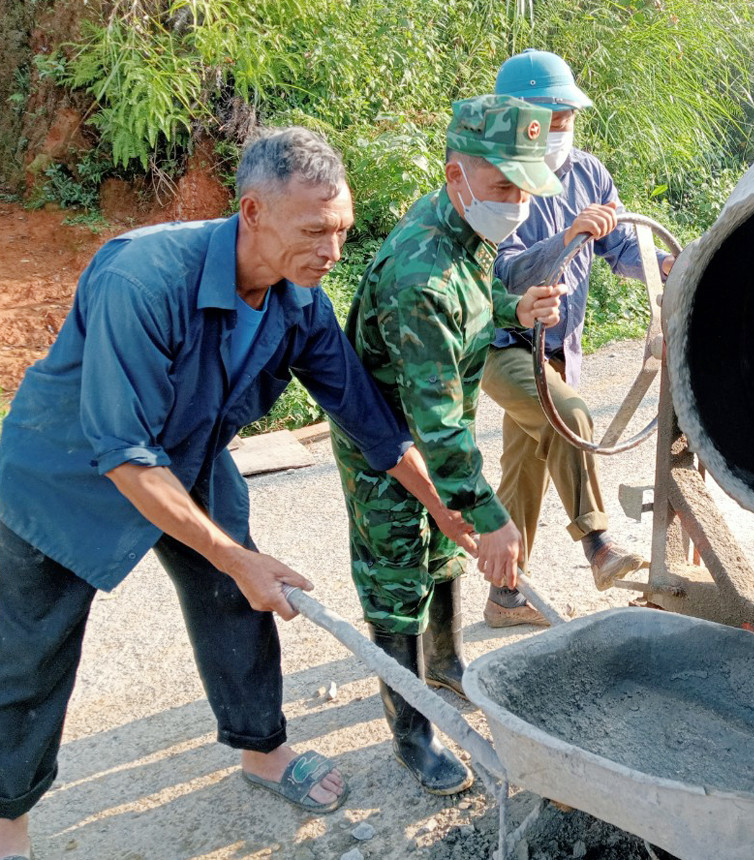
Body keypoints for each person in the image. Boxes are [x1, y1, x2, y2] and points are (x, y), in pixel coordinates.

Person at [0, 126, 475, 860]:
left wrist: (443, 505)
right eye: (314, 230)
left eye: (342, 230)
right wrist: (235, 556)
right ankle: (9, 829)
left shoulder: (301, 301)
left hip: (188, 458)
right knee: (30, 656)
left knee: (236, 597)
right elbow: (123, 456)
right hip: (62, 478)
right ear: (252, 212)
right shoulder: (143, 277)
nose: (332, 251)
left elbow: (369, 421)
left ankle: (264, 751)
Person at [330, 94, 566, 795]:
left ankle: (447, 665)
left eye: (524, 187)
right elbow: (433, 423)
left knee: (444, 551)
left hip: (439, 434)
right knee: (398, 578)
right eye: (503, 188)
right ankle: (411, 731)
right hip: (390, 452)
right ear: (456, 175)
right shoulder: (419, 272)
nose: (516, 202)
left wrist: (511, 308)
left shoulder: (461, 228)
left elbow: (469, 298)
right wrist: (491, 516)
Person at [480, 49, 676, 627]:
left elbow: (620, 250)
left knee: (525, 470)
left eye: (568, 121)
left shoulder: (589, 173)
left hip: (560, 347)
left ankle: (505, 597)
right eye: (551, 122)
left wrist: (663, 265)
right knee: (568, 415)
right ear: (519, 120)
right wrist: (567, 237)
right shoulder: (497, 176)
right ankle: (597, 543)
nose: (562, 132)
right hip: (503, 343)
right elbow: (507, 273)